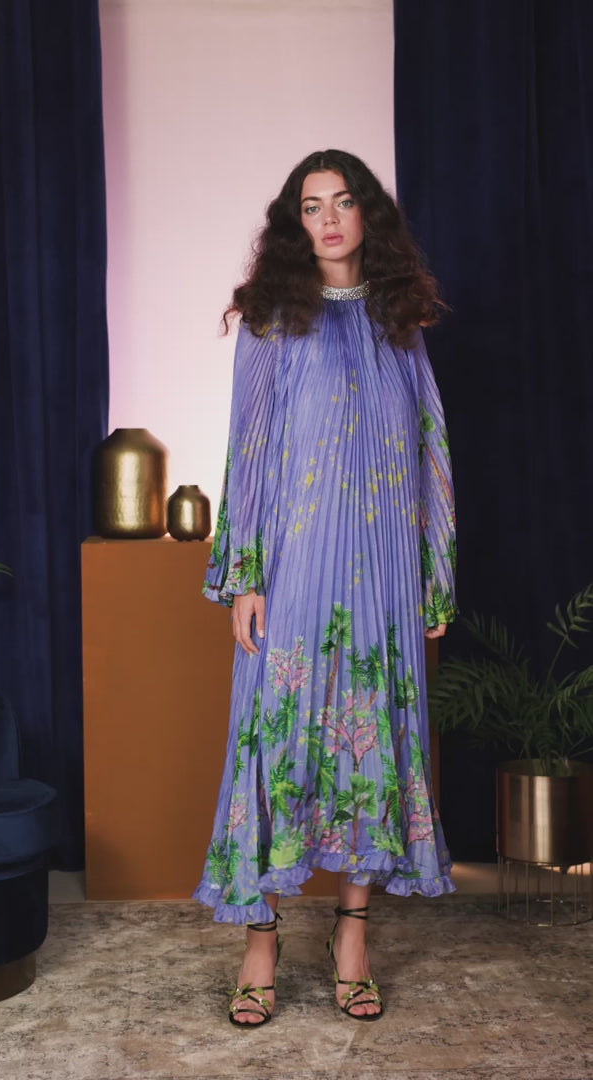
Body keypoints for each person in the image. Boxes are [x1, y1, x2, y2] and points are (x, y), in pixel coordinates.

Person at [193, 149, 457, 1026]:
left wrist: (433, 575)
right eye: (312, 207)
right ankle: (259, 941)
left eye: (343, 202)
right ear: (294, 223)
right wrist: (244, 577)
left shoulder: (398, 319)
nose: (330, 220)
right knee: (274, 743)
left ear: (366, 214)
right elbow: (250, 452)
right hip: (297, 567)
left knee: (371, 746)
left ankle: (353, 937)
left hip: (382, 569)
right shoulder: (272, 318)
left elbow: (429, 447)